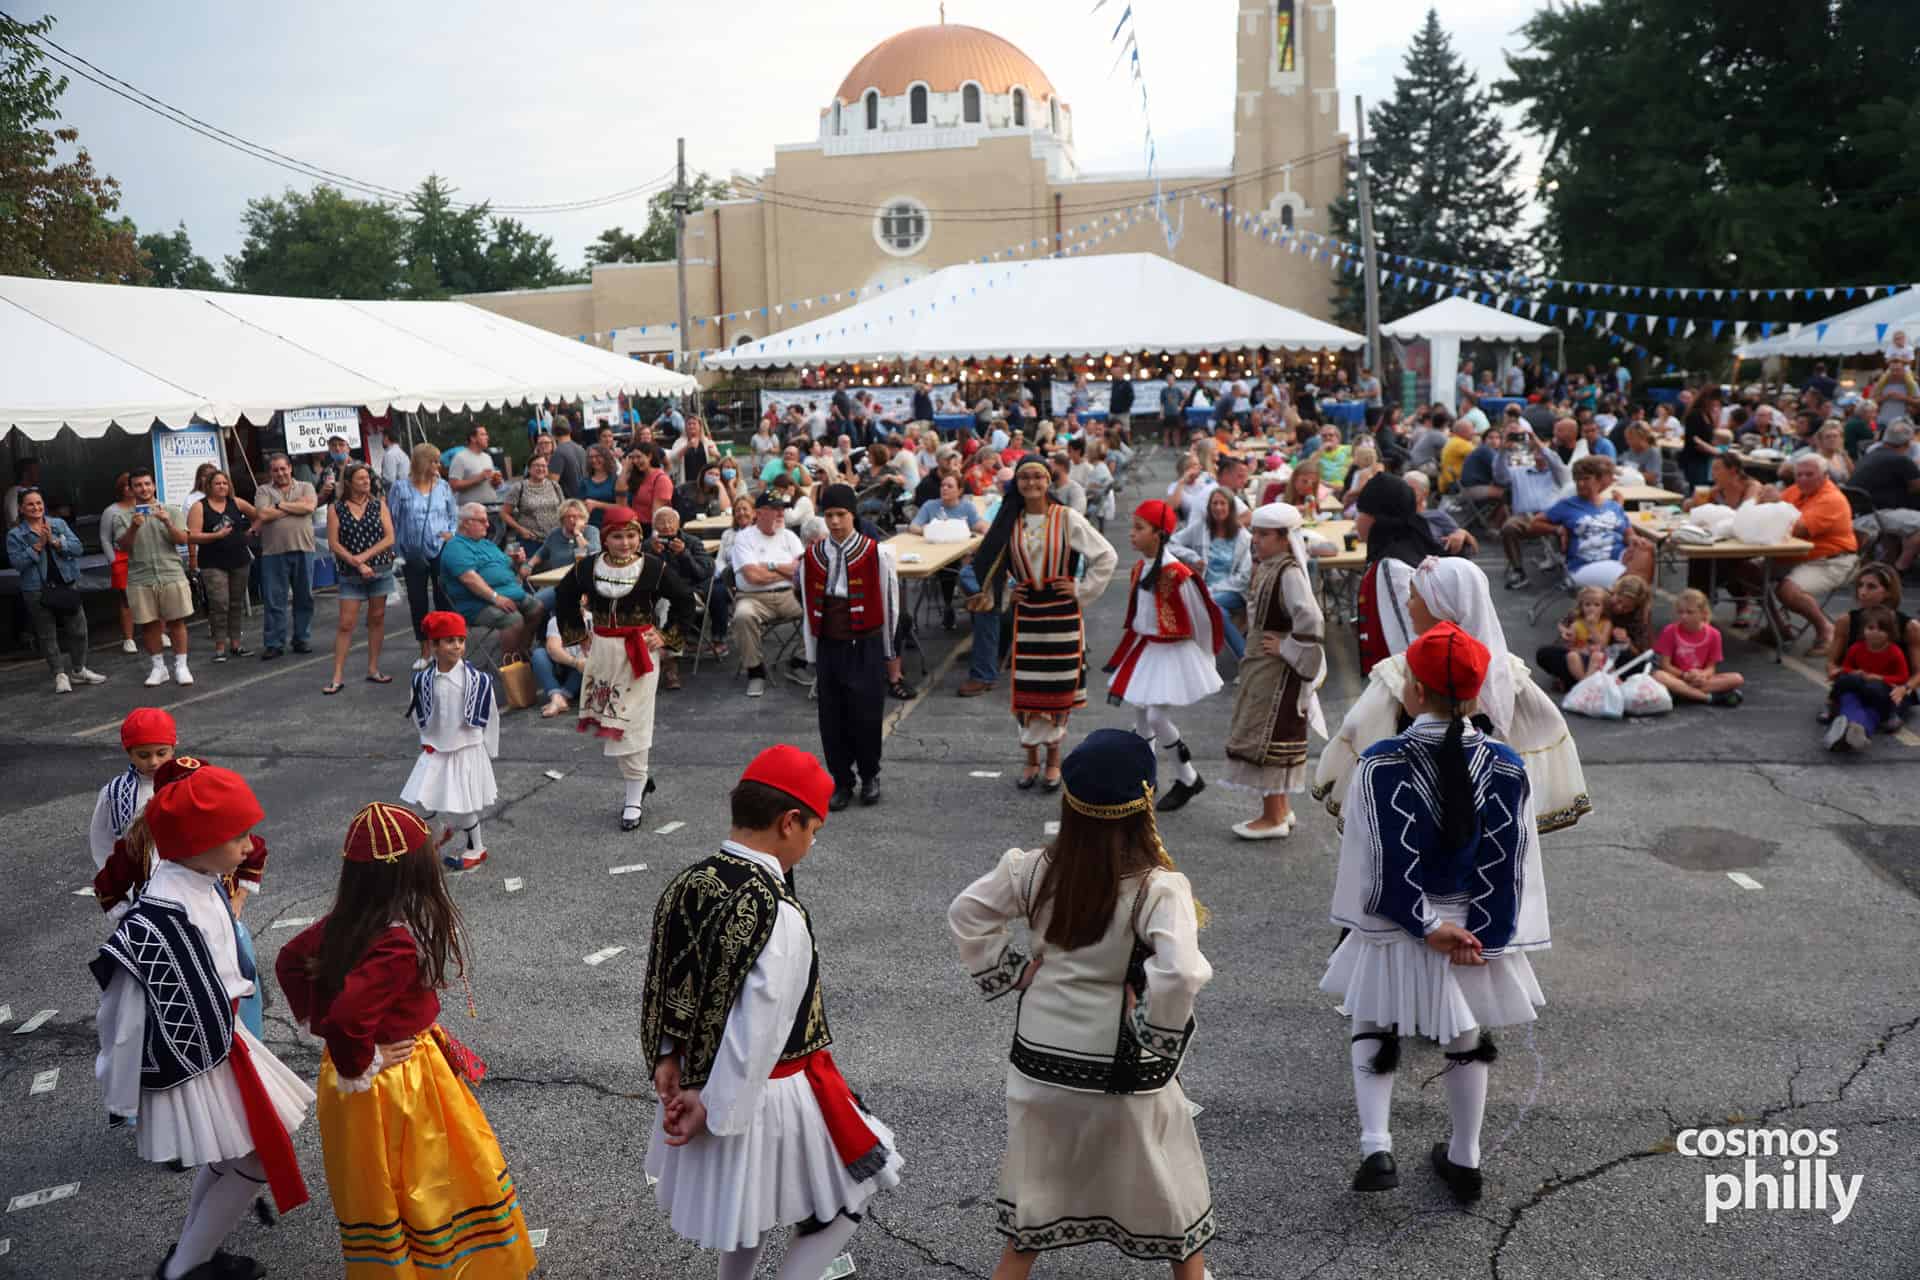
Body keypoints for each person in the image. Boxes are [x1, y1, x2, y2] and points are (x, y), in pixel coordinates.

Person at [947, 728, 1214, 1279]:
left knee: (1036, 1193)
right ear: (1145, 807)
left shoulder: (1032, 869)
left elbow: (967, 912)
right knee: (1171, 1191)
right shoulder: (1157, 887)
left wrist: (1015, 974)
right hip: (1121, 1072)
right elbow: (1182, 970)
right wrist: (1154, 1030)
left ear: (1070, 801)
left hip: (1040, 1063)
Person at [641, 745, 903, 1280]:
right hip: (765, 1088)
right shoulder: (777, 911)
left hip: (700, 1074)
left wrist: (669, 1061)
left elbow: (664, 980)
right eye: (813, 830)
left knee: (749, 1210)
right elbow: (759, 1026)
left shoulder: (687, 882)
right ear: (789, 822)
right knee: (847, 1202)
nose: (812, 842)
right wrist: (712, 1108)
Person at [1321, 622, 1549, 1205]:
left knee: (1372, 1020)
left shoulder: (1379, 764)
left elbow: (1379, 863)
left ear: (1413, 692)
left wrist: (1423, 924)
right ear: (1473, 697)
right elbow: (1510, 862)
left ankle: (1377, 1146)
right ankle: (1465, 1159)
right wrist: (1482, 938)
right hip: (1469, 926)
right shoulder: (1506, 764)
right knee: (1466, 1036)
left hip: (1402, 923)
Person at [274, 802, 537, 1279]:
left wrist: (330, 1033)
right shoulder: (395, 941)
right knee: (426, 1176)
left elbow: (289, 960)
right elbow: (352, 1013)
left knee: (378, 1180)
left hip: (359, 1076)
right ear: (411, 873)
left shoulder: (348, 920)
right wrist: (363, 1057)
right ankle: (445, 1266)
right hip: (400, 1079)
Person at [92, 763, 314, 1280]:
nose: (248, 845)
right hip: (196, 1058)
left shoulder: (199, 878)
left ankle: (193, 1255)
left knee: (230, 1152)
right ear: (195, 842)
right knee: (258, 1157)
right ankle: (186, 1268)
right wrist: (121, 1090)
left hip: (223, 1041)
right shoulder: (157, 918)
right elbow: (122, 1013)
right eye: (236, 836)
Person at [1315, 556, 1593, 837]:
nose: (1407, 605)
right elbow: (1545, 728)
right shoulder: (1503, 670)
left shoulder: (1403, 670)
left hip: (1411, 804)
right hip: (1484, 810)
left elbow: (1359, 726)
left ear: (1442, 607)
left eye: (1413, 597)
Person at [968, 459, 1118, 788]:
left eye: (1038, 476)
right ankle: (1030, 759)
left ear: (1048, 480)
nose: (1031, 482)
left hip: (1062, 614)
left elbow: (1106, 555)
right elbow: (989, 564)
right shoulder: (1009, 521)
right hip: (1029, 615)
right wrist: (1009, 592)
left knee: (1057, 692)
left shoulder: (1065, 518)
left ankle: (1053, 760)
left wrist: (1081, 589)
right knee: (1027, 693)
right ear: (1016, 483)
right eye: (1024, 477)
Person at [555, 506, 696, 830]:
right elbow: (564, 594)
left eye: (631, 535)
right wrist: (579, 634)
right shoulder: (589, 567)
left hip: (640, 655)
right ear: (605, 538)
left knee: (633, 723)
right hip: (604, 652)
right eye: (617, 536)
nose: (625, 543)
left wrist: (665, 635)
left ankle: (633, 795)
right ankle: (639, 779)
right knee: (613, 721)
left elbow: (685, 599)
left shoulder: (653, 568)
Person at [1105, 500, 1225, 813]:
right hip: (1148, 648)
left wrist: (1205, 656)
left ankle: (1188, 777)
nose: (1131, 534)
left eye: (1138, 528)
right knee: (1142, 716)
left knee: (1157, 716)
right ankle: (1146, 779)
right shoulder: (1139, 568)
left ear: (1159, 534)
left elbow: (1202, 617)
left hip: (1173, 652)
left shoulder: (1176, 574)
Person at [1223, 503, 1325, 840]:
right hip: (1263, 667)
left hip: (1279, 672)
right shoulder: (1271, 565)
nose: (1256, 540)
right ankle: (1279, 809)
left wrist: (1287, 648)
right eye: (1255, 533)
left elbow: (1310, 618)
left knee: (1269, 736)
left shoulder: (1289, 571)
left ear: (1285, 538)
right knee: (1265, 732)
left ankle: (1273, 817)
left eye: (1264, 535)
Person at [798, 484, 899, 810]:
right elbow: (808, 609)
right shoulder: (812, 556)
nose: (836, 522)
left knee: (867, 714)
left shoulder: (876, 553)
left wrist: (888, 651)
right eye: (829, 515)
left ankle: (870, 775)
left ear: (852, 514)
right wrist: (812, 652)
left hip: (865, 643)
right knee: (832, 717)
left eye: (841, 514)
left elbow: (890, 605)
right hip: (830, 643)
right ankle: (841, 779)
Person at [401, 612, 499, 872]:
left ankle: (476, 848)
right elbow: (417, 712)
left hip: (465, 749)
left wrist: (488, 749)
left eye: (460, 640)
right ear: (433, 646)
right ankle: (438, 835)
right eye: (449, 641)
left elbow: (491, 716)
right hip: (435, 749)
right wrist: (425, 739)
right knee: (422, 801)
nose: (457, 646)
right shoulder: (422, 680)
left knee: (464, 804)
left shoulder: (478, 681)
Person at [7, 489, 105, 693]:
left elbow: (78, 548)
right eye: (30, 504)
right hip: (36, 589)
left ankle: (79, 669)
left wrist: (57, 542)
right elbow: (18, 563)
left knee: (79, 630)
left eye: (39, 503)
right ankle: (59, 675)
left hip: (65, 583)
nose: (36, 508)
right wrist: (38, 546)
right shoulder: (15, 535)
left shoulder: (58, 524)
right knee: (47, 634)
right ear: (21, 509)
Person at [1352, 473, 1445, 677]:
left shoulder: (1391, 568)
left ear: (1377, 518)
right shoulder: (1407, 546)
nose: (1356, 521)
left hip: (1404, 686)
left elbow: (1406, 638)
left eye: (1360, 513)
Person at [1767, 455, 1860, 655]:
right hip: (1797, 556)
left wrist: (1772, 506)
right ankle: (1777, 626)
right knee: (1748, 572)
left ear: (1825, 476)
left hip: (1832, 560)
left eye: (1809, 475)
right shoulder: (1796, 491)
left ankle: (1827, 629)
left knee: (1789, 591)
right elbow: (1768, 513)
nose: (1802, 479)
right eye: (1799, 475)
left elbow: (1797, 529)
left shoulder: (1830, 499)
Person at [1823, 565, 1920, 745]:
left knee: (1873, 695)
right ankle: (1856, 730)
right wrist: (1836, 672)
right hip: (1857, 683)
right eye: (1860, 586)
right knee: (1851, 692)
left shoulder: (1909, 626)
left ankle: (1846, 726)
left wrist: (1904, 688)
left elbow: (1917, 673)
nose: (1862, 592)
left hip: (1890, 689)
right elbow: (1832, 662)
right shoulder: (1846, 621)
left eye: (1871, 587)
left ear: (1889, 592)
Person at [440, 502, 544, 671]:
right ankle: (511, 668)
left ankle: (521, 651)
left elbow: (509, 569)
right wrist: (496, 597)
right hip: (477, 603)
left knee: (537, 607)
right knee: (513, 619)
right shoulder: (455, 547)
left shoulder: (487, 544)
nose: (488, 525)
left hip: (509, 595)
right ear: (466, 522)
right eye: (482, 521)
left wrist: (518, 562)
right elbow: (470, 579)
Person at [323, 463, 397, 695]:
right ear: (349, 483)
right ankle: (337, 676)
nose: (366, 482)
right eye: (361, 478)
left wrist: (364, 557)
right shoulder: (336, 508)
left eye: (368, 478)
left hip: (379, 569)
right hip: (350, 573)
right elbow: (334, 543)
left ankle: (373, 668)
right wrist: (356, 562)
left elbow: (389, 537)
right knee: (346, 624)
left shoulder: (378, 505)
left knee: (377, 618)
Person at [1533, 457, 1657, 589]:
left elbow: (1629, 535)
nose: (1580, 484)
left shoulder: (1613, 506)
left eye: (1586, 479)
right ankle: (1633, 599)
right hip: (1586, 563)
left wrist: (1635, 540)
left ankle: (1629, 598)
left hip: (1619, 556)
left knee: (1646, 549)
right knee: (1631, 579)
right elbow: (1534, 524)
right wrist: (1557, 529)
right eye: (1577, 480)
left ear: (1599, 480)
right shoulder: (1567, 505)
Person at [388, 443, 459, 673]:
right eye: (434, 461)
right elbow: (393, 520)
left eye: (438, 461)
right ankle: (425, 650)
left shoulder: (443, 487)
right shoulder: (401, 488)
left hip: (440, 547)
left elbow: (452, 515)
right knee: (418, 602)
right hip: (412, 551)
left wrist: (452, 533)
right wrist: (396, 552)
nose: (438, 466)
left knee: (444, 598)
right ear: (421, 462)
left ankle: (447, 648)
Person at [730, 492, 807, 698]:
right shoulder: (744, 537)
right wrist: (785, 570)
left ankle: (799, 661)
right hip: (753, 598)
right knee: (742, 616)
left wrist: (770, 566)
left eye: (783, 509)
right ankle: (755, 672)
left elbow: (801, 571)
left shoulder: (789, 536)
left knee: (821, 610)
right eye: (775, 509)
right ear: (759, 513)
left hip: (789, 595)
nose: (781, 513)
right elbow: (753, 576)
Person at [90, 707, 176, 875]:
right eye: (143, 755)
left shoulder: (190, 783)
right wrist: (116, 889)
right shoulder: (115, 793)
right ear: (130, 754)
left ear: (173, 748)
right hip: (137, 887)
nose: (153, 762)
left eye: (161, 753)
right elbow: (102, 842)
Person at [1168, 488, 1252, 660]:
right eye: (1215, 503)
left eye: (1223, 503)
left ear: (1230, 508)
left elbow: (1243, 577)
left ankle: (1207, 659)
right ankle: (1245, 658)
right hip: (1204, 589)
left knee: (1207, 605)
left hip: (1233, 591)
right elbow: (1171, 543)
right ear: (1209, 507)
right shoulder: (1200, 528)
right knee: (1219, 612)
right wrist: (1192, 557)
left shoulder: (1243, 536)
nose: (1218, 507)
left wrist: (1212, 591)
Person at [253, 453, 319, 661]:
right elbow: (263, 515)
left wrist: (279, 506)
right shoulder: (263, 490)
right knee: (274, 600)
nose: (280, 473)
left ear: (290, 468)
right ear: (270, 472)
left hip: (303, 549)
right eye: (275, 470)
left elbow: (309, 507)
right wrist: (293, 507)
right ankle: (274, 643)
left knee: (304, 597)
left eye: (283, 468)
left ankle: (301, 638)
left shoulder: (306, 486)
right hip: (274, 552)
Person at [184, 471, 254, 663]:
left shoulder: (237, 503)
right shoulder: (200, 507)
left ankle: (236, 644)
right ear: (209, 486)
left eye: (225, 483)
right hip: (213, 562)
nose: (222, 486)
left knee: (236, 603)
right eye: (217, 483)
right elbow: (192, 535)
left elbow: (257, 515)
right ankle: (220, 647)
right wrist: (216, 536)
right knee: (220, 603)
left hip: (239, 559)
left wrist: (251, 532)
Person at [1650, 588, 1745, 708]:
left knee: (1737, 678)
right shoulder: (1670, 631)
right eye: (1680, 612)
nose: (1684, 616)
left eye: (1690, 612)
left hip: (1699, 680)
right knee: (1658, 676)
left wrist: (1702, 675)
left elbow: (1711, 667)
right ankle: (1708, 698)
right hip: (1677, 677)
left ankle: (1684, 693)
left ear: (1703, 613)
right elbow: (1665, 665)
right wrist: (1685, 675)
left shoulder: (1714, 634)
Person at [1851, 422, 1920, 571]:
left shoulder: (1871, 455)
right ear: (1908, 443)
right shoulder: (1901, 460)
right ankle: (1898, 569)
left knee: (1906, 521)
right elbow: (1916, 487)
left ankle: (1886, 566)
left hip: (1859, 515)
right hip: (1876, 515)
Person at [524, 498, 602, 609]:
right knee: (533, 604)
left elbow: (594, 555)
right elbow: (541, 553)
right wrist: (529, 565)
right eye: (568, 517)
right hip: (558, 584)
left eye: (576, 516)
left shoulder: (591, 531)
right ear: (562, 519)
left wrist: (578, 534)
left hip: (584, 584)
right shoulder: (555, 534)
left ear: (584, 518)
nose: (572, 520)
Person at [447, 425, 504, 539]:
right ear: (473, 438)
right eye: (483, 434)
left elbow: (489, 483)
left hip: (491, 511)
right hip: (472, 517)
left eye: (486, 434)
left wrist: (496, 482)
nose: (487, 437)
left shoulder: (487, 457)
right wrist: (478, 478)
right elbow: (453, 485)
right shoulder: (460, 458)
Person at [501, 453, 564, 556]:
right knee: (532, 569)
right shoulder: (519, 487)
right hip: (531, 541)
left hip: (555, 539)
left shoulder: (554, 485)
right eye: (536, 465)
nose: (540, 468)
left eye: (543, 466)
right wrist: (520, 529)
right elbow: (504, 514)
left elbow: (563, 510)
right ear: (529, 469)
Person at [549, 419, 589, 498]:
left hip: (569, 503)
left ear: (553, 433)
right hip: (585, 499)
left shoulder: (558, 452)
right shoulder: (581, 449)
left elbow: (552, 485)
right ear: (570, 430)